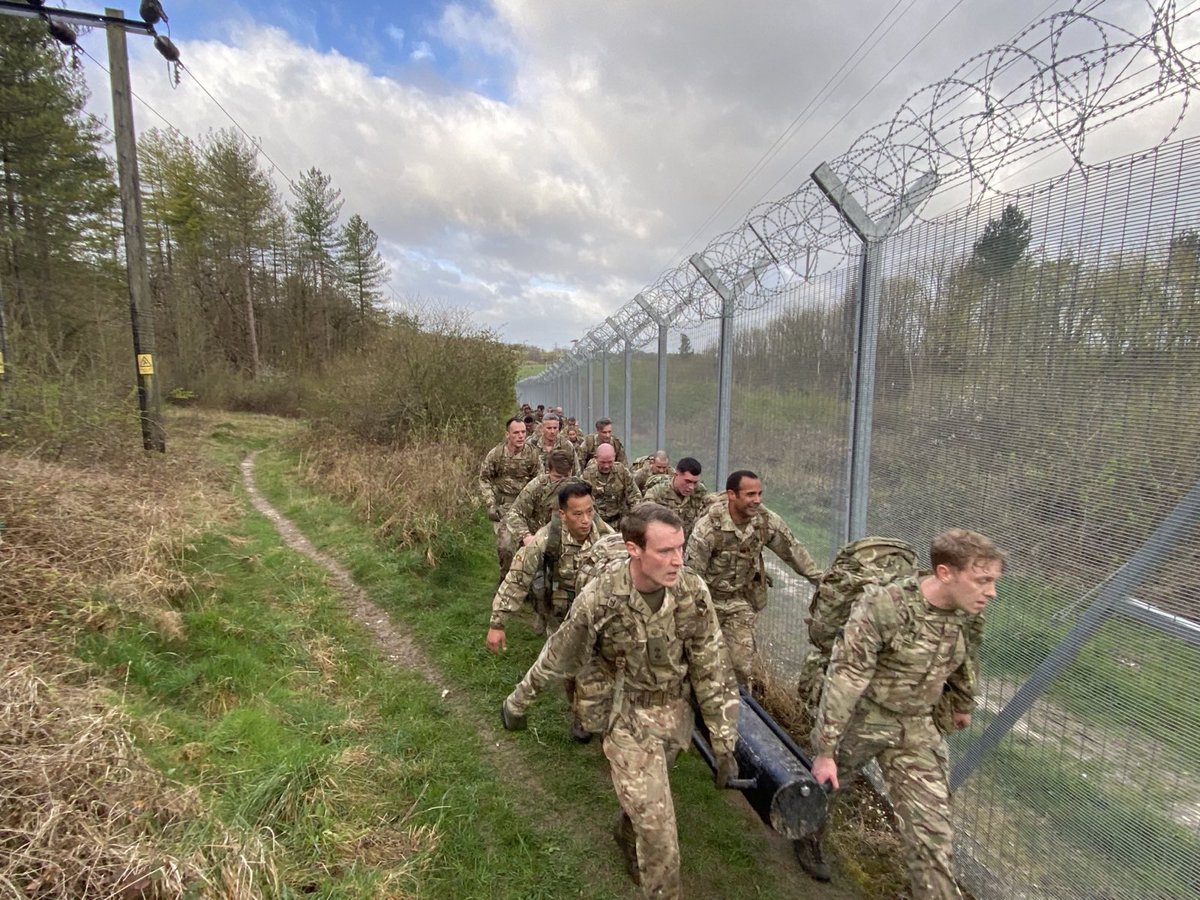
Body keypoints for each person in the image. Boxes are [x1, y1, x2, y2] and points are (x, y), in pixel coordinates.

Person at [500, 503, 739, 899]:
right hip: (624, 715)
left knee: (646, 807)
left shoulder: (693, 591)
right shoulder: (601, 598)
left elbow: (712, 665)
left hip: (673, 714)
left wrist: (723, 740)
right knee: (661, 834)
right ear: (634, 550)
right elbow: (559, 654)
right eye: (665, 551)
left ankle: (627, 830)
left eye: (680, 548)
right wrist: (518, 702)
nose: (678, 560)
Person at [796, 529, 1004, 899]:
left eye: (994, 581)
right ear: (945, 573)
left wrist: (962, 703)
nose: (991, 592)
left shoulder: (969, 614)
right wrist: (826, 750)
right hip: (863, 716)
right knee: (823, 790)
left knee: (932, 830)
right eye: (982, 580)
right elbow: (846, 676)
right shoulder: (884, 606)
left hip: (916, 726)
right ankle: (808, 837)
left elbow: (966, 658)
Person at [686, 470, 823, 686]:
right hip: (706, 602)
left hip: (739, 602)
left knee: (740, 665)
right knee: (700, 663)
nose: (757, 500)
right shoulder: (708, 529)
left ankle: (738, 709)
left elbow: (793, 552)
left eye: (759, 494)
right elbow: (691, 578)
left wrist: (820, 581)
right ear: (732, 495)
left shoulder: (765, 521)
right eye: (750, 494)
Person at [478, 417, 542, 579]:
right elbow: (485, 479)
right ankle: (505, 579)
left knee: (529, 547)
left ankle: (527, 585)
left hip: (527, 508)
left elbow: (541, 481)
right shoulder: (496, 454)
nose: (521, 436)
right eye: (516, 433)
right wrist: (490, 504)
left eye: (523, 432)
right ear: (508, 434)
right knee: (505, 548)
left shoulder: (533, 455)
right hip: (505, 507)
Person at [504, 449, 579, 549]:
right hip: (539, 541)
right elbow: (514, 513)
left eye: (566, 477)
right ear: (548, 472)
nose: (562, 482)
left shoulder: (578, 488)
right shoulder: (538, 486)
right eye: (558, 477)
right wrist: (526, 536)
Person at [642, 457, 710, 540]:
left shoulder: (700, 492)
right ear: (676, 475)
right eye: (687, 481)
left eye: (695, 482)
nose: (691, 487)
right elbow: (644, 525)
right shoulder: (656, 493)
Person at [581, 443, 643, 528]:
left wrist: (635, 518)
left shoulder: (622, 472)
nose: (606, 466)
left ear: (614, 457)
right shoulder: (587, 475)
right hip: (595, 524)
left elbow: (635, 496)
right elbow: (581, 499)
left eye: (610, 462)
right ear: (596, 458)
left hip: (619, 523)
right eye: (603, 462)